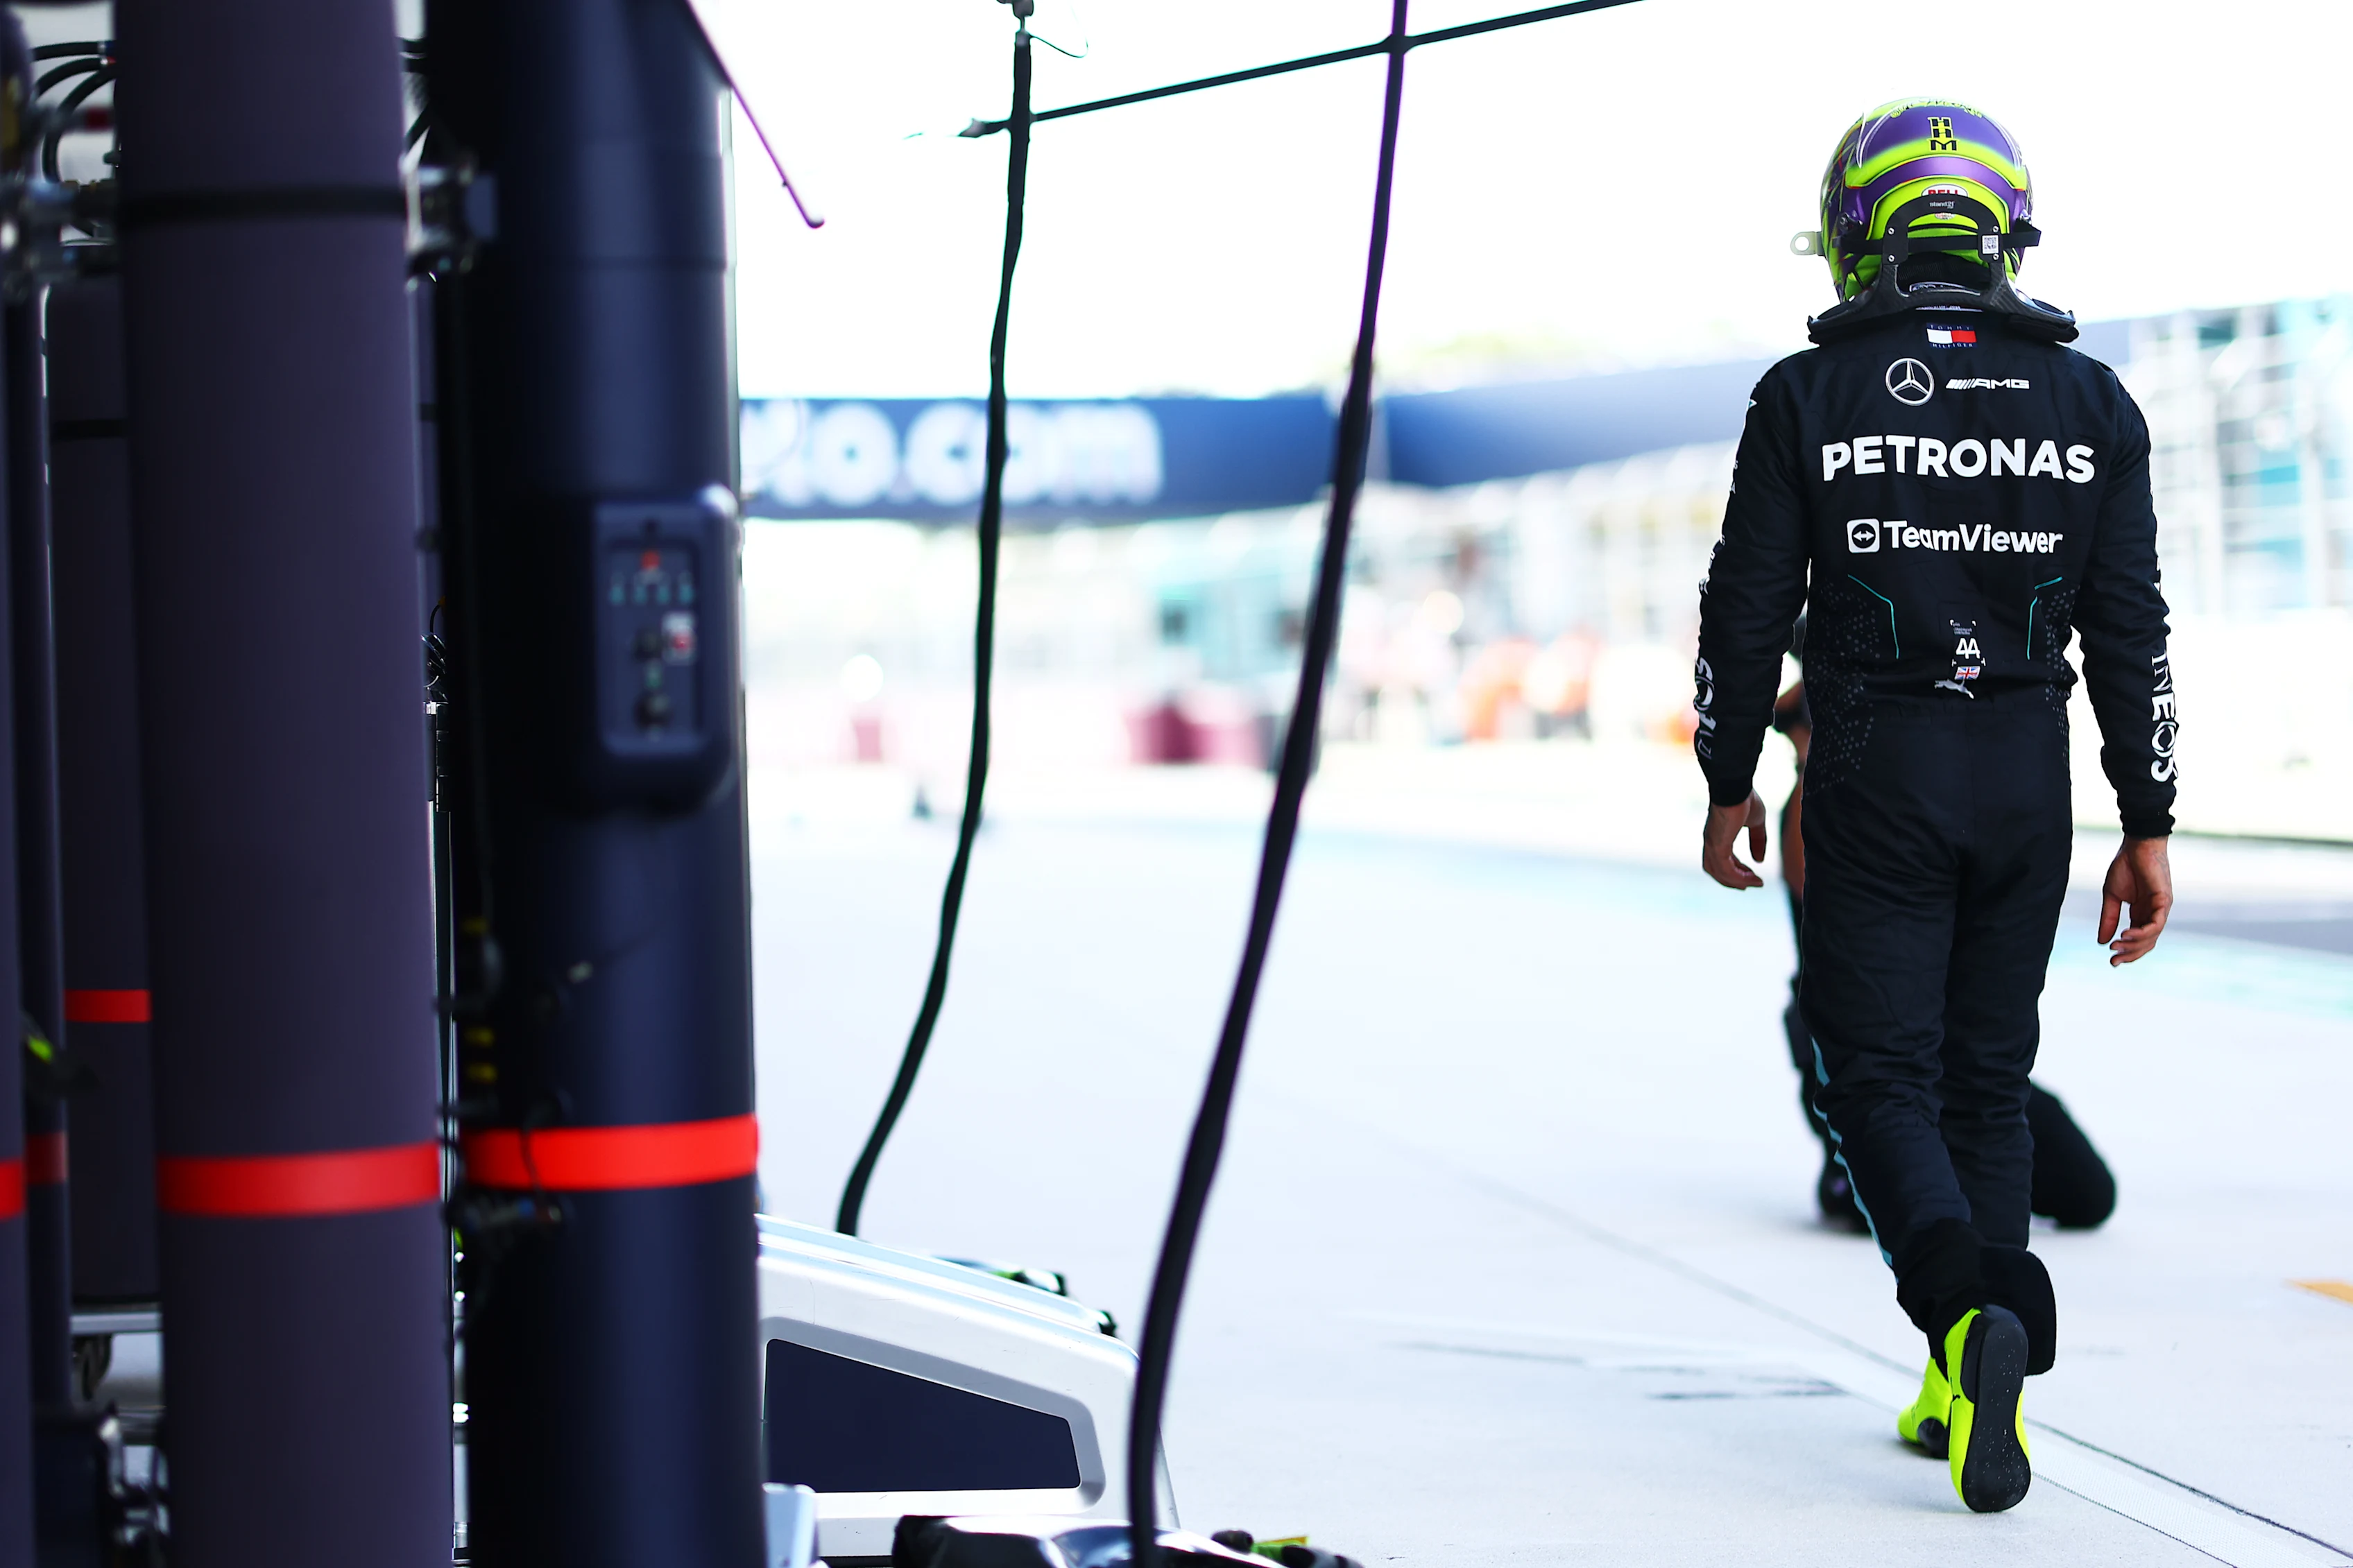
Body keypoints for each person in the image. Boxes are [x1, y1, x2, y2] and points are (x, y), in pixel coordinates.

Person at [1691, 99, 2175, 1515]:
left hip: (1870, 763)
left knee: (1874, 1079)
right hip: (2027, 772)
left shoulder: (1805, 393)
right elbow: (2130, 631)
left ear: (1856, 232)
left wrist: (1727, 775)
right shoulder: (2095, 402)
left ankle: (1970, 1319)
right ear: (2006, 228)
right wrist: (2149, 816)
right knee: (1986, 1080)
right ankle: (1957, 1384)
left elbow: (1741, 608)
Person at [1773, 621, 2117, 1235]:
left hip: (1955, 1050)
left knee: (2086, 1193)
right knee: (1898, 1197)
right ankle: (1856, 1163)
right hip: (1868, 1045)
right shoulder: (1815, 802)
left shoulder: (1935, 752)